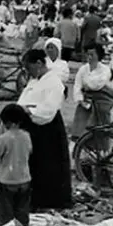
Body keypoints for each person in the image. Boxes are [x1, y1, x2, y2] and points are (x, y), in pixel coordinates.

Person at [17, 49, 72, 210]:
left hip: (47, 128)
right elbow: (25, 99)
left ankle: (50, 201)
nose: (29, 72)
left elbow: (48, 109)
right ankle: (34, 198)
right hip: (31, 126)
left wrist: (30, 111)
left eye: (30, 68)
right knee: (34, 164)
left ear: (39, 63)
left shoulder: (54, 82)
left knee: (49, 165)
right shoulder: (35, 81)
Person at [0, 104, 33, 226]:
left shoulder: (3, 139)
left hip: (7, 181)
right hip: (24, 179)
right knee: (22, 211)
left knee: (6, 213)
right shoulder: (26, 136)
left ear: (6, 122)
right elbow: (29, 151)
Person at [71, 43, 113, 140]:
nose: (89, 57)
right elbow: (77, 85)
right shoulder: (83, 69)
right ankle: (80, 141)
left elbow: (97, 85)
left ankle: (101, 145)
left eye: (92, 55)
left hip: (102, 98)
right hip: (87, 99)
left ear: (98, 56)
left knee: (101, 118)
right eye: (87, 54)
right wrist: (80, 99)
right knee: (81, 115)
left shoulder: (105, 70)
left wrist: (86, 86)